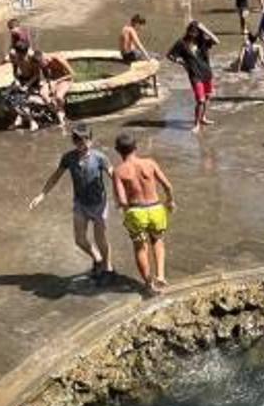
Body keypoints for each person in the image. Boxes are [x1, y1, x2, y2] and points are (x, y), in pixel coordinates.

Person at [29, 123, 115, 280]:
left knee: (100, 238)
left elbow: (114, 175)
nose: (82, 143)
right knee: (80, 240)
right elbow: (56, 176)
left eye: (85, 140)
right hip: (80, 204)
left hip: (99, 204)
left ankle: (108, 269)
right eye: (78, 140)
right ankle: (97, 259)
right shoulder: (68, 158)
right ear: (73, 141)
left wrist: (124, 196)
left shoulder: (100, 157)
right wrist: (42, 194)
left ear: (91, 140)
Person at [112, 133, 174, 293]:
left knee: (140, 247)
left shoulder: (118, 171)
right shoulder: (150, 163)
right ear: (136, 147)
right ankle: (160, 275)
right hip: (155, 208)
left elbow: (122, 200)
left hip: (136, 212)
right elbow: (167, 186)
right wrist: (170, 201)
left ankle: (148, 283)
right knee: (157, 241)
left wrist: (126, 212)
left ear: (118, 151)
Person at [167, 21, 219, 132]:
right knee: (200, 100)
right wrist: (181, 62)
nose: (193, 34)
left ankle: (203, 117)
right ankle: (196, 124)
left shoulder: (202, 42)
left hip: (206, 73)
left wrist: (204, 28)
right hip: (195, 75)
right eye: (191, 31)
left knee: (207, 97)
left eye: (195, 32)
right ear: (188, 31)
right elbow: (170, 55)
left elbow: (216, 41)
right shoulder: (181, 43)